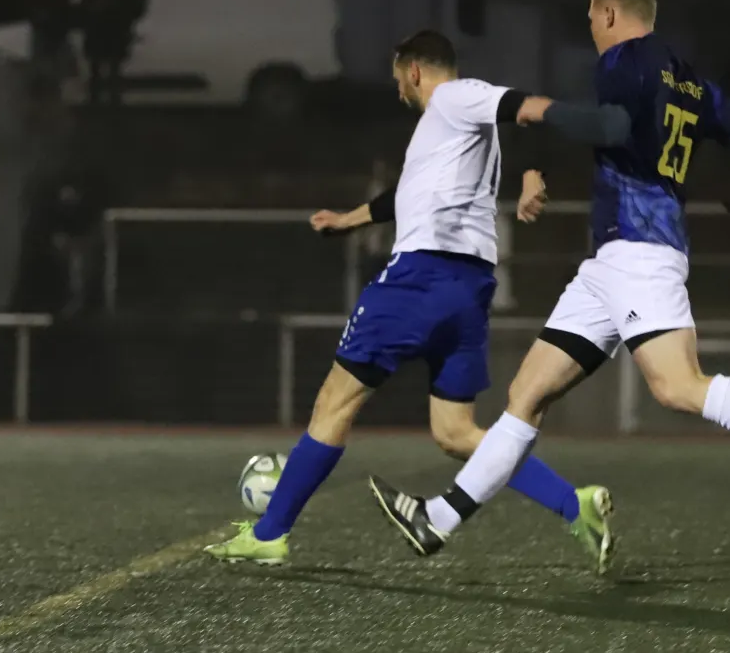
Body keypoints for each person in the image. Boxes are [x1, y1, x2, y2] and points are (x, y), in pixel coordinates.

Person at [367, 0, 730, 559]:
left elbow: (613, 127)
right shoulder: (693, 84)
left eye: (590, 18)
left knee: (678, 386)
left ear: (608, 14)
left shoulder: (623, 61)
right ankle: (438, 519)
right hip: (610, 264)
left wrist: (537, 112)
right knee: (527, 394)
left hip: (640, 251)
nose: (591, 29)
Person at [205, 30, 613, 568]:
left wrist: (590, 125)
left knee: (334, 403)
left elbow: (527, 107)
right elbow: (408, 194)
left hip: (421, 278)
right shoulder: (453, 131)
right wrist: (347, 220)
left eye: (399, 80)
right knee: (456, 433)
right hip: (470, 286)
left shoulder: (452, 97)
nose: (400, 92)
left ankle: (268, 534)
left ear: (415, 71)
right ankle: (574, 505)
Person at [78, 0, 136, 108]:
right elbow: (83, 13)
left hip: (110, 35)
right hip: (100, 35)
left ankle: (107, 100)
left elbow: (125, 15)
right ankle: (99, 100)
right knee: (99, 71)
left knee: (109, 71)